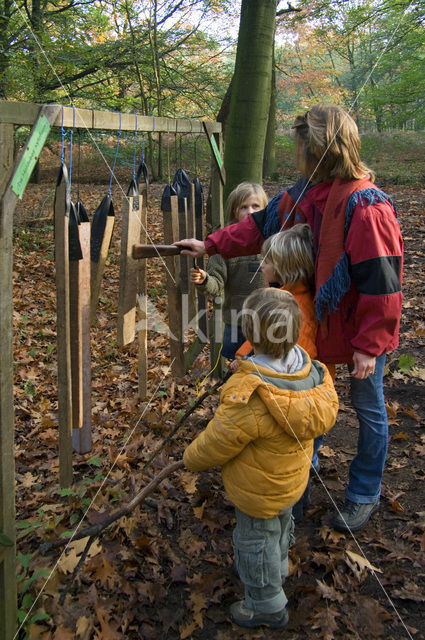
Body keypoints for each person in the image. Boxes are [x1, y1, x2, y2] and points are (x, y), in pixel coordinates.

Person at [176, 103, 403, 533]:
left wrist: (370, 346)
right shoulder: (302, 192)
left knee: (367, 406)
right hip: (315, 319)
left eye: (300, 144)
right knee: (304, 395)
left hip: (359, 329)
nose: (295, 152)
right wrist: (210, 245)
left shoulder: (366, 205)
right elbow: (259, 226)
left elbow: (383, 283)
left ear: (319, 148)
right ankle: (299, 483)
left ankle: (364, 492)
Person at [183, 288, 339, 629]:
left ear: (250, 334)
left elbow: (217, 441)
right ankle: (278, 563)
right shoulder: (311, 374)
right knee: (281, 523)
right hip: (290, 480)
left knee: (254, 538)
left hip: (257, 490)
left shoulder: (252, 395)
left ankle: (265, 602)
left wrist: (190, 459)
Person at [190, 182, 268, 359]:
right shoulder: (223, 244)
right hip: (237, 323)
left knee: (266, 371)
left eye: (256, 206)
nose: (250, 212)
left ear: (265, 210)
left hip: (269, 321)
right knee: (236, 369)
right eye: (244, 207)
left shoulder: (272, 241)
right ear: (234, 211)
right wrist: (204, 280)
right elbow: (216, 284)